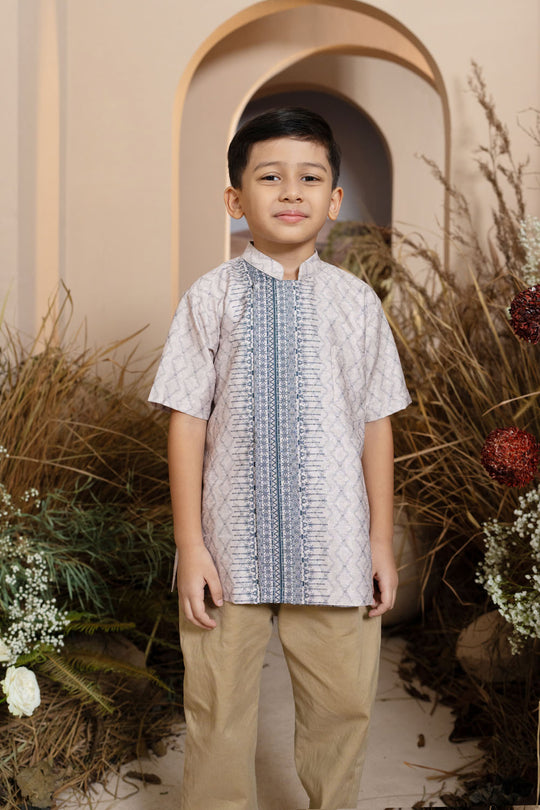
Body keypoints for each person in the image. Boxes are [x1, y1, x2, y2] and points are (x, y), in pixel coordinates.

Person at [149, 107, 411, 810]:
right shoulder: (210, 299)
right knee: (217, 709)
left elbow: (377, 424)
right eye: (270, 177)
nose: (291, 191)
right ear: (235, 199)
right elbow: (186, 422)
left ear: (335, 199)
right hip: (228, 545)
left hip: (335, 543)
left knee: (341, 708)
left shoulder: (358, 304)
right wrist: (191, 546)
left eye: (310, 178)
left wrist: (379, 541)